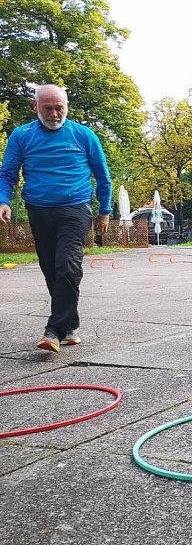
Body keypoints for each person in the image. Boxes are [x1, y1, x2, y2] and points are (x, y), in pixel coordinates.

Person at [0, 84, 111, 352]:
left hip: (75, 208)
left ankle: (54, 330)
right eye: (47, 108)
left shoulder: (83, 135)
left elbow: (102, 175)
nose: (53, 113)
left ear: (67, 107)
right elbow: (7, 173)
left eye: (59, 108)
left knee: (67, 266)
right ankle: (70, 324)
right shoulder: (22, 135)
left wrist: (105, 210)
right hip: (39, 209)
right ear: (35, 106)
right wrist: (3, 200)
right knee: (51, 268)